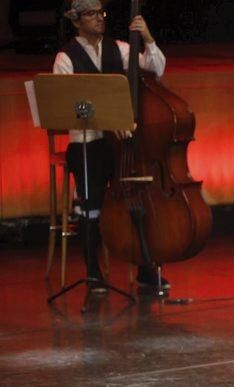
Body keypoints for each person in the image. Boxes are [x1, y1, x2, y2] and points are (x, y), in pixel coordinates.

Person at [53, 0, 167, 293]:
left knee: (137, 199)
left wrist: (148, 37)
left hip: (122, 144)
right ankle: (93, 271)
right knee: (91, 202)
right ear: (77, 21)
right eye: (91, 14)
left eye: (101, 13)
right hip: (88, 142)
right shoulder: (65, 58)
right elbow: (70, 105)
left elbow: (156, 69)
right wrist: (107, 119)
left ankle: (145, 266)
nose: (99, 19)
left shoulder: (120, 47)